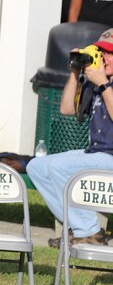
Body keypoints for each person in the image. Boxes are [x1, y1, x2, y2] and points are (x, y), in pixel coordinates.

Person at [28, 27, 113, 247]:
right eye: (102, 51)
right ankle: (78, 228)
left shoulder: (103, 83)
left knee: (59, 167)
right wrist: (75, 74)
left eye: (111, 53)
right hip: (97, 153)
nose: (105, 57)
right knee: (36, 166)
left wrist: (103, 83)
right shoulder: (96, 82)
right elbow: (66, 109)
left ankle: (90, 231)